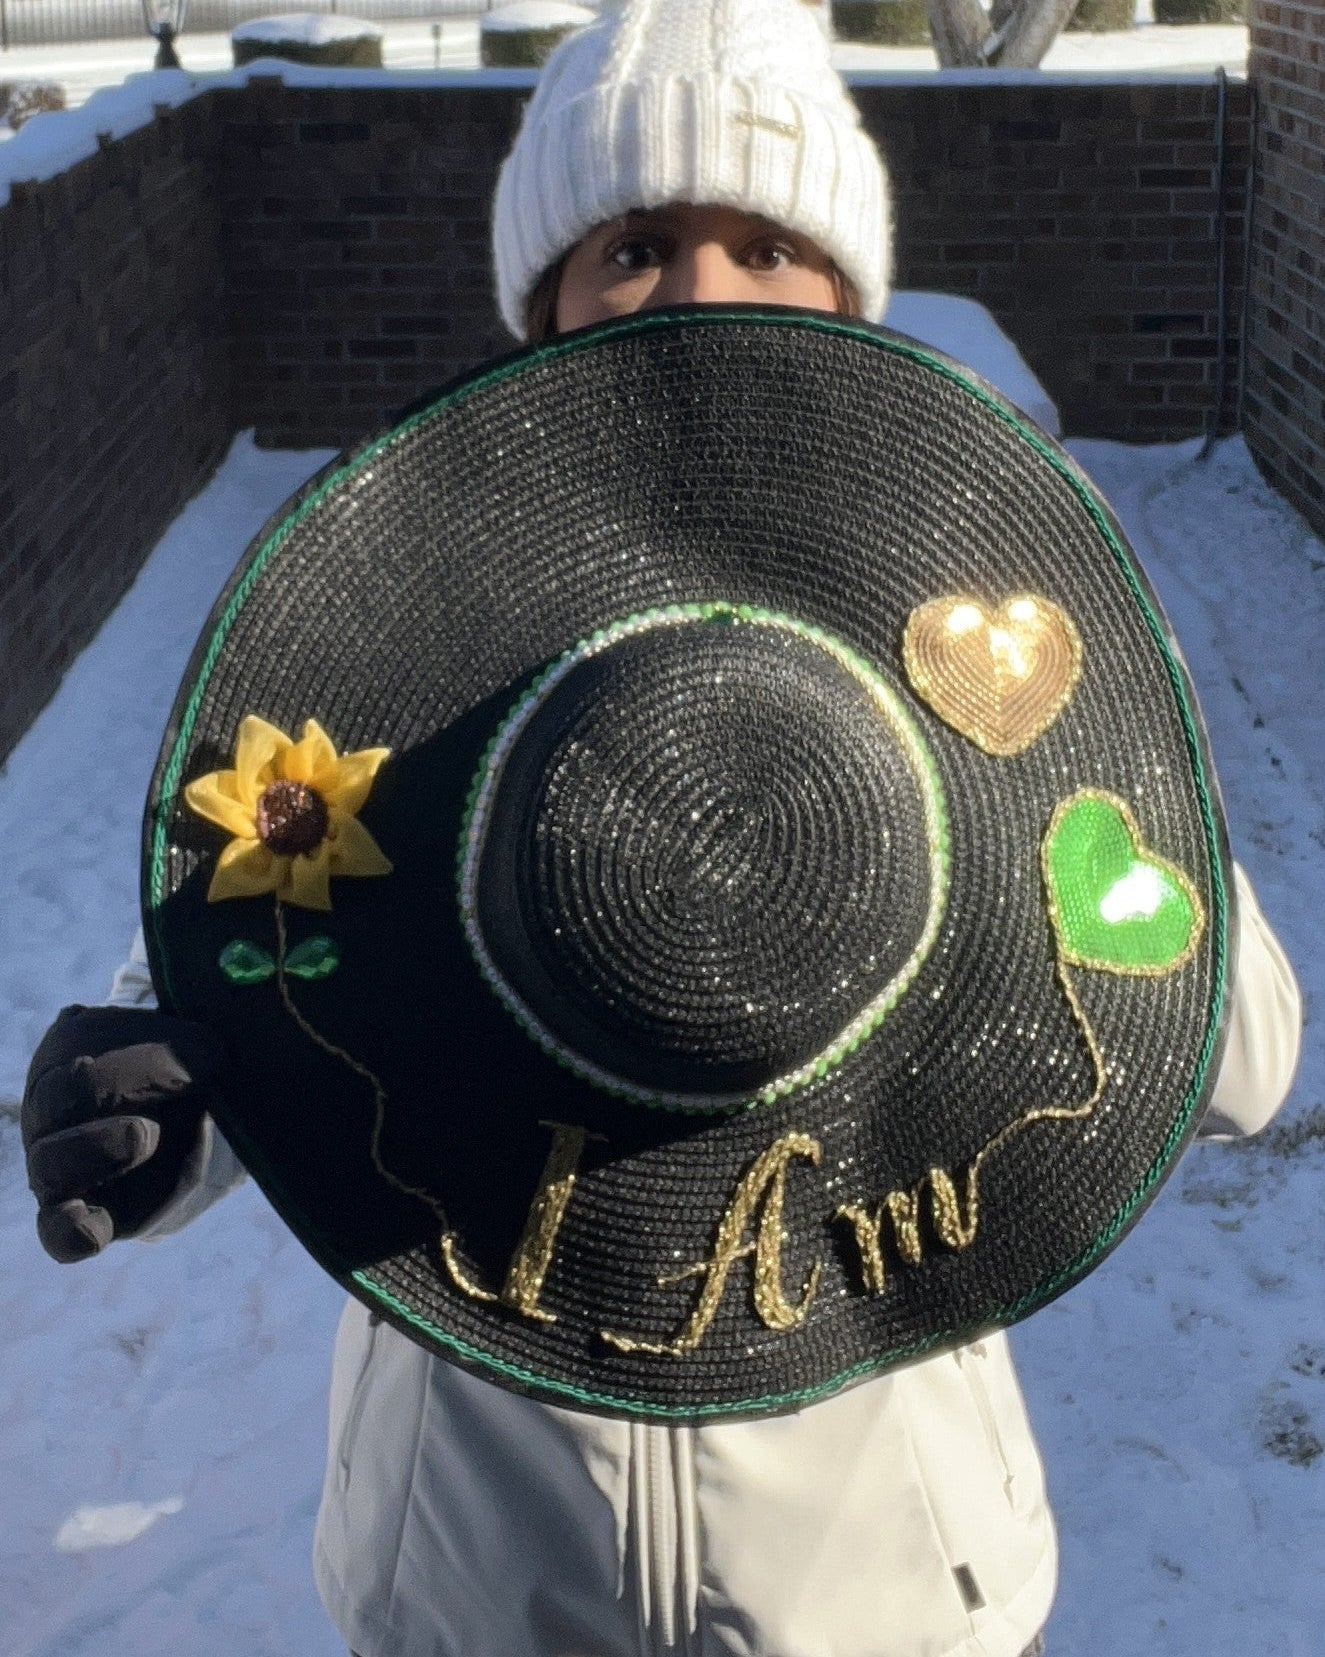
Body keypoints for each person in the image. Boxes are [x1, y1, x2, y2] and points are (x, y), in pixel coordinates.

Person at [21, 2, 1303, 1655]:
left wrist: (1075, 758)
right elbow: (278, 920)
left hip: (888, 1584)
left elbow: (1240, 1056)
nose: (698, 291)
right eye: (632, 246)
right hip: (483, 1571)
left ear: (846, 293)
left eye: (764, 244)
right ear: (542, 304)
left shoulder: (967, 620)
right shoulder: (426, 619)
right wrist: (167, 1079)